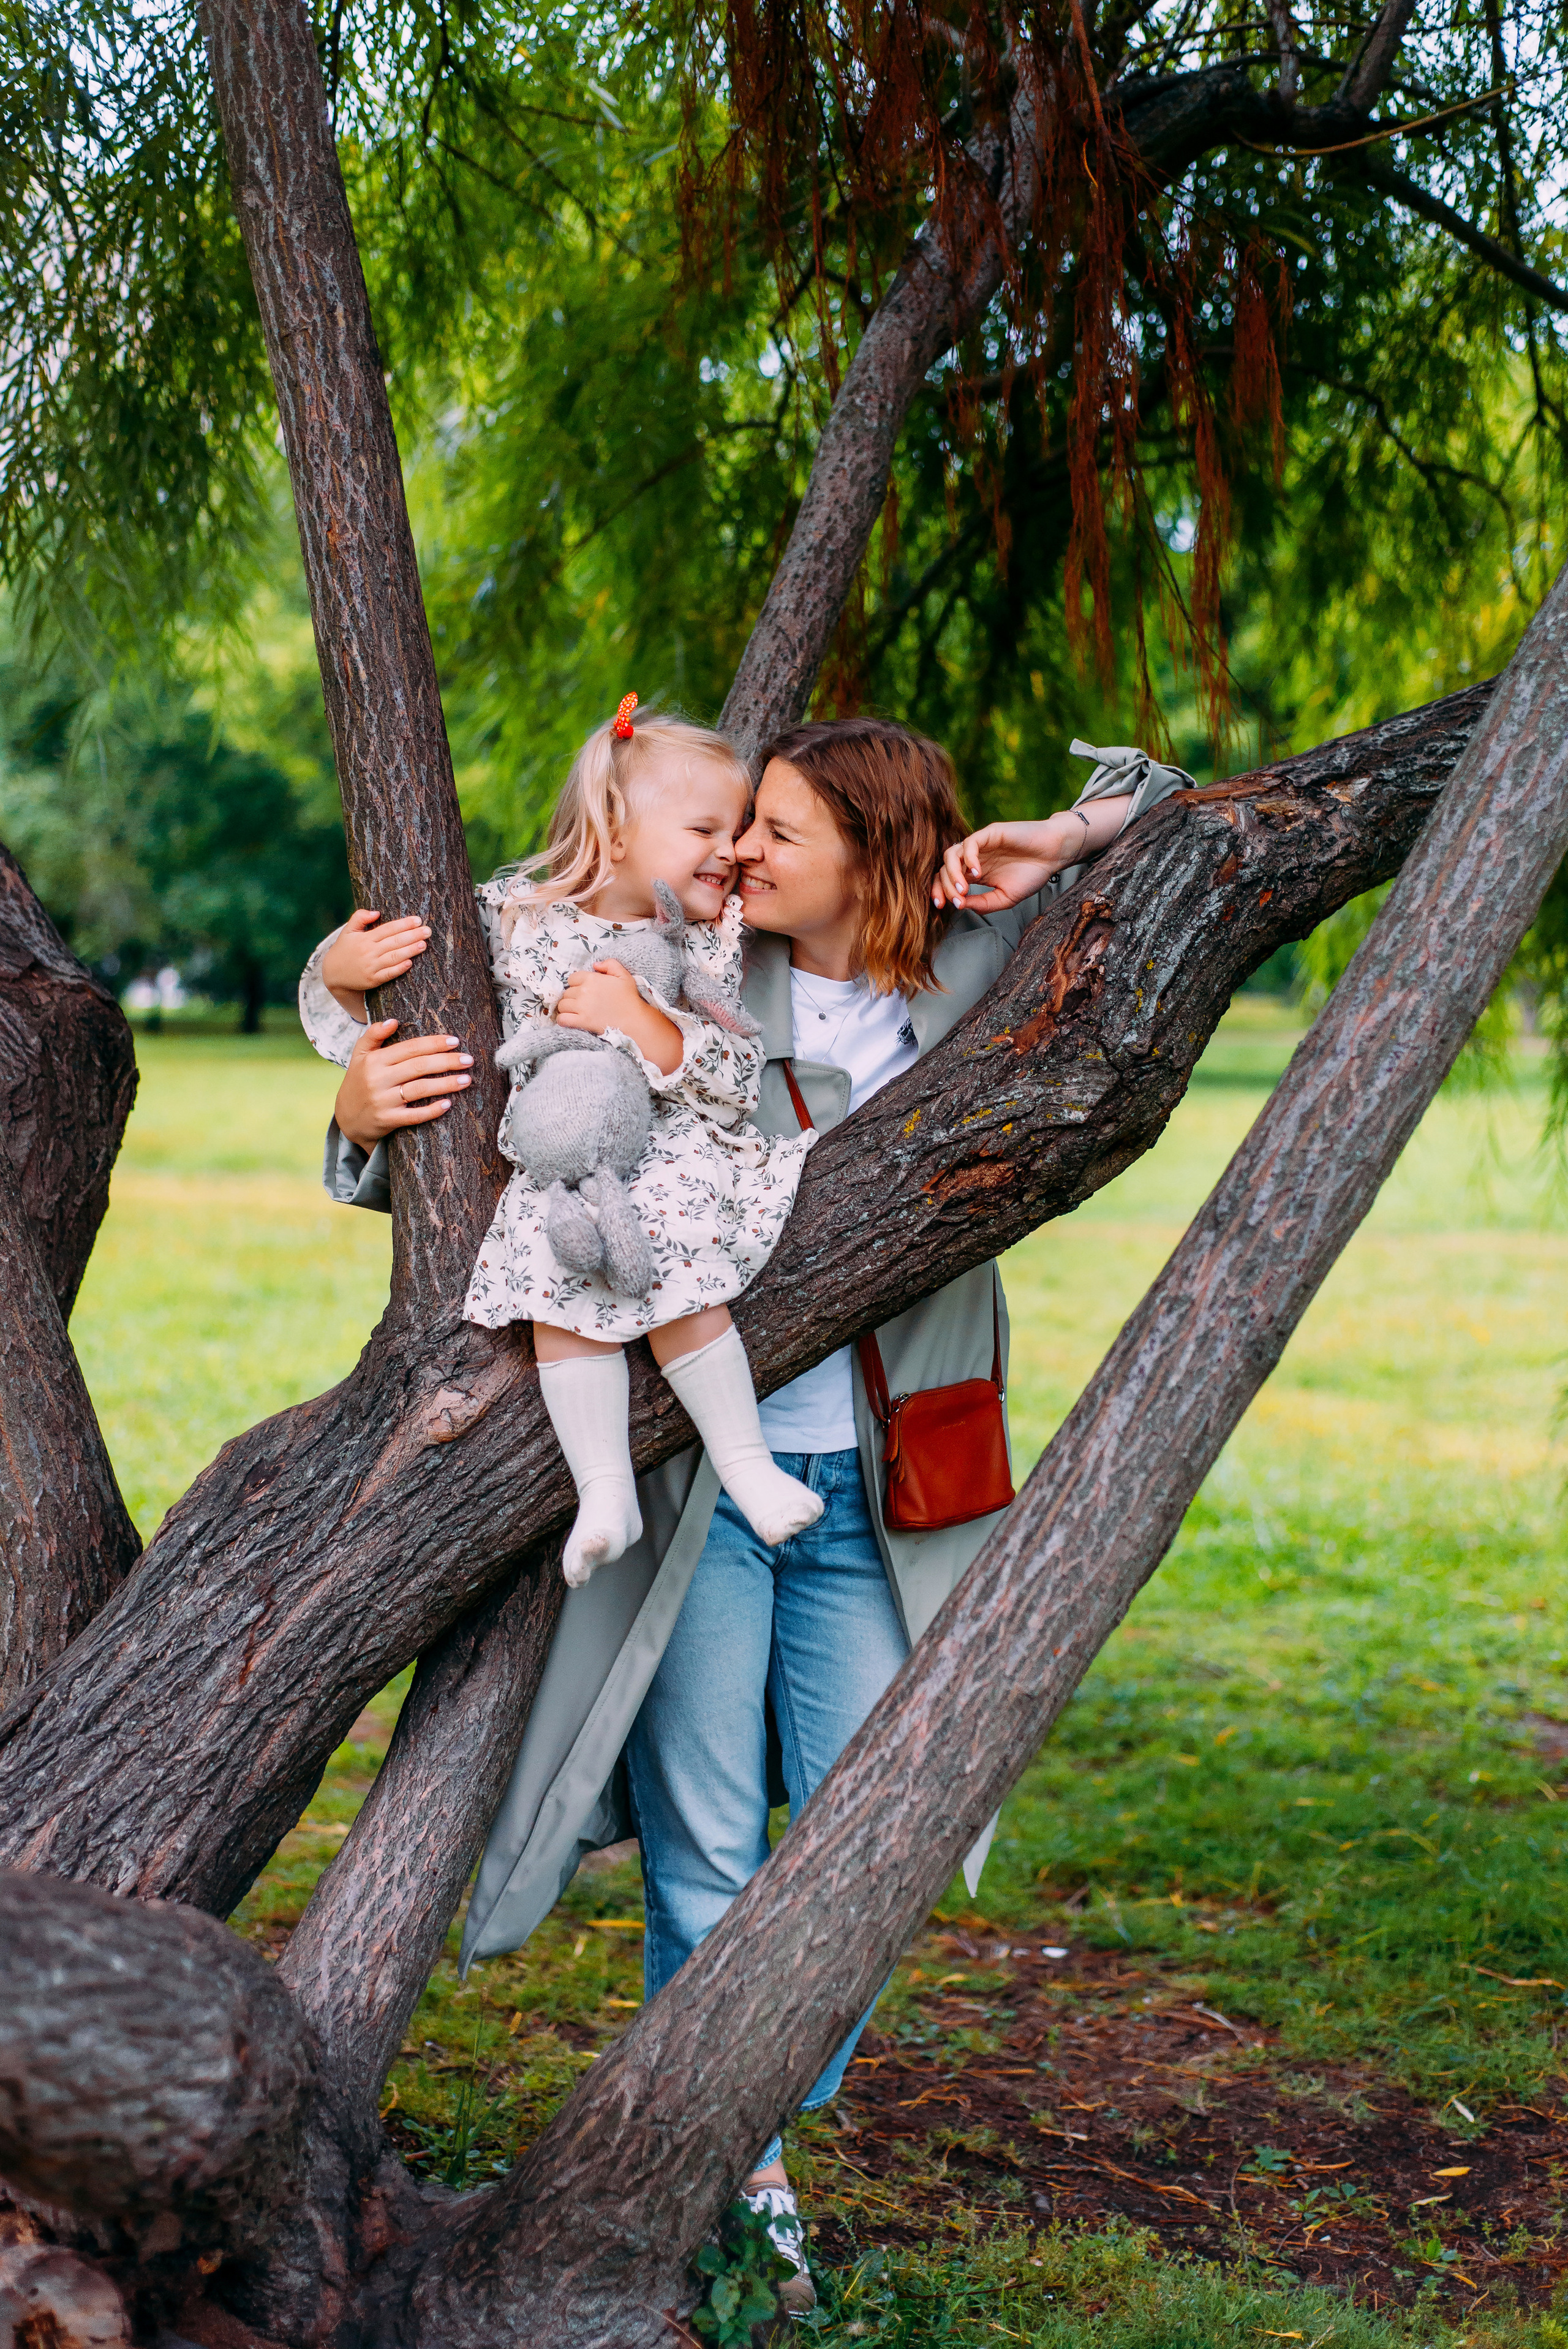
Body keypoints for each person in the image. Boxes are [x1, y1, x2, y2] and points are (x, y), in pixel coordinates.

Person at [317, 719, 1189, 2313]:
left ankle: (745, 2104)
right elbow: (530, 1109)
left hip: (890, 1472)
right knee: (708, 1847)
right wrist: (361, 1123)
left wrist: (1059, 838)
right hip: (703, 1481)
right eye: (740, 826)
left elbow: (1192, 824)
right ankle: (740, 2181)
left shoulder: (978, 971)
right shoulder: (698, 956)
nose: (742, 857)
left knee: (880, 1831)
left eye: (781, 833)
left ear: (874, 851)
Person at [297, 701, 820, 1590]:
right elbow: (394, 1007)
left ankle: (748, 1465)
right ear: (614, 828)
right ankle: (603, 1492)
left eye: (735, 831)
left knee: (682, 1273)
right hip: (561, 1167)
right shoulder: (513, 917)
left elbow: (737, 1076)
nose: (732, 852)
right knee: (555, 1292)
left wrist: (647, 1025)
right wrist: (340, 978)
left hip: (670, 1161)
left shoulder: (702, 947)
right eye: (705, 829)